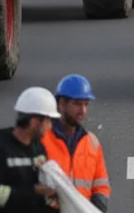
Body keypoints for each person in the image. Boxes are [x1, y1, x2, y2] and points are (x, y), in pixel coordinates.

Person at [0, 87, 59, 213]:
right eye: (48, 121)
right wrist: (33, 192)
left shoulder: (38, 149)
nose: (50, 127)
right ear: (35, 122)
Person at [41, 75, 111, 212]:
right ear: (61, 104)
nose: (83, 110)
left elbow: (101, 185)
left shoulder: (91, 142)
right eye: (77, 104)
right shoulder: (42, 140)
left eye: (86, 104)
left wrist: (96, 209)